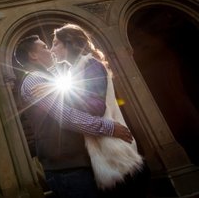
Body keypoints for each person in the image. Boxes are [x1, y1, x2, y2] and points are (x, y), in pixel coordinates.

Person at [14, 34, 134, 198]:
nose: (50, 50)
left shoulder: (50, 78)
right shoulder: (33, 80)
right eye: (44, 47)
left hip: (77, 163)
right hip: (67, 168)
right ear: (33, 55)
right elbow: (66, 115)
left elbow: (74, 91)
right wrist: (109, 127)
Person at [50, 23, 149, 198]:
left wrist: (59, 99)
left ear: (69, 43)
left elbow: (96, 107)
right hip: (103, 150)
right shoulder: (76, 70)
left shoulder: (90, 64)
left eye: (56, 43)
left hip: (114, 152)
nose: (52, 49)